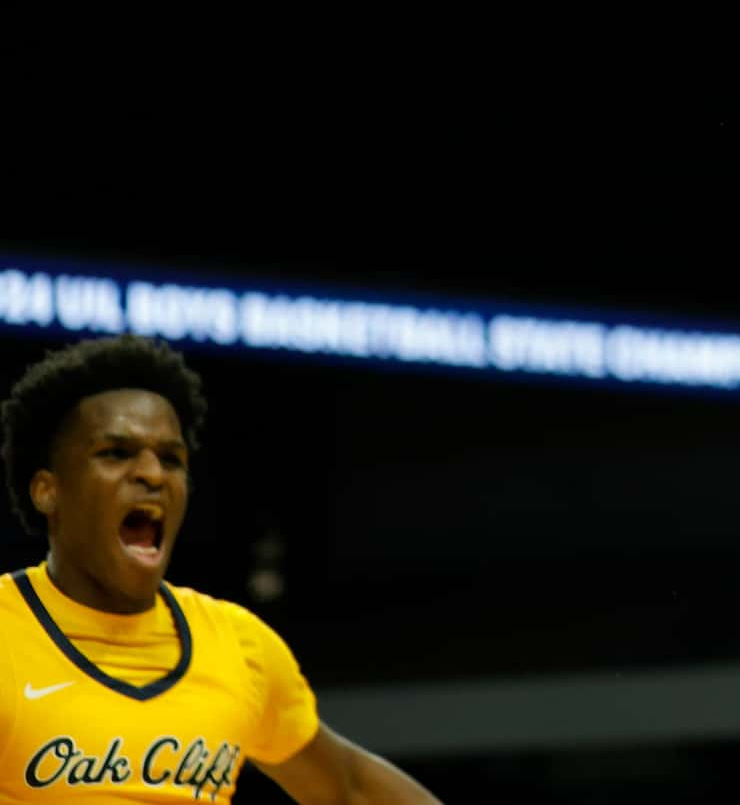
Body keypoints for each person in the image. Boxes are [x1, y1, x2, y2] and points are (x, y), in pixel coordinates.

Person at [2, 335, 449, 802]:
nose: (153, 474)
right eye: (116, 453)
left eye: (171, 459)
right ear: (47, 491)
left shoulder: (239, 646)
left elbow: (350, 787)